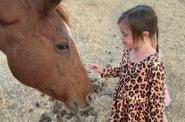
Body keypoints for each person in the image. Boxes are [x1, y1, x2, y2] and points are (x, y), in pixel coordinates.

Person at [90, 5, 170, 122]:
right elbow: (123, 70)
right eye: (121, 33)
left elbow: (156, 102)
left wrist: (159, 118)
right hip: (122, 104)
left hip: (138, 113)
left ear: (144, 35)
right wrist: (105, 71)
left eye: (125, 34)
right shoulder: (128, 50)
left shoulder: (154, 65)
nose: (121, 38)